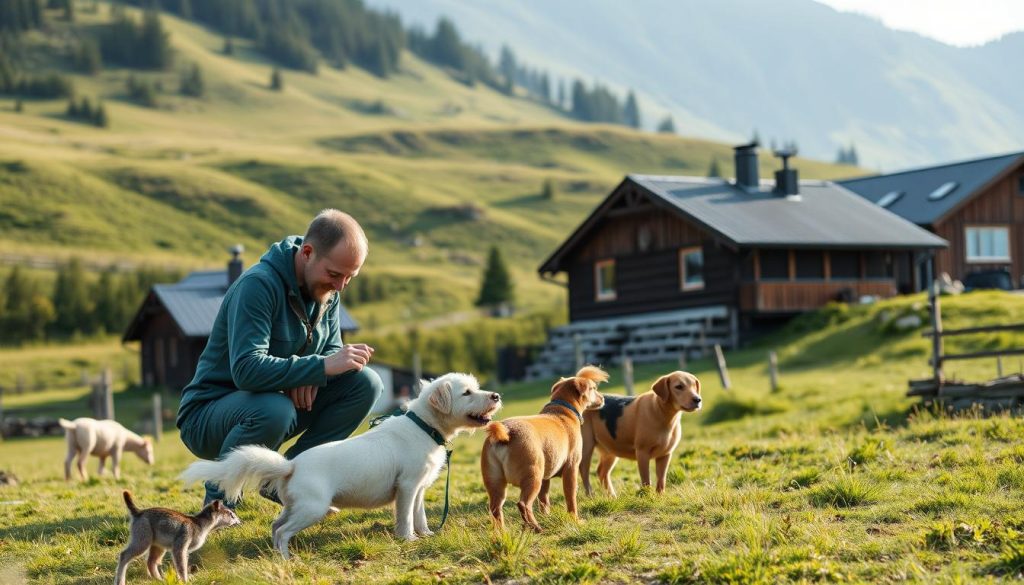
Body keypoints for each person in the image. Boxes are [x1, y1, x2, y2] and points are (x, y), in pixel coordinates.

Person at [176, 209, 383, 506]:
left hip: (277, 402)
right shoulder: (258, 286)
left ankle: (290, 483)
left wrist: (315, 371)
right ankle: (218, 507)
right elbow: (247, 370)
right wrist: (318, 367)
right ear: (307, 253)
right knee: (276, 409)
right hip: (209, 415)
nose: (340, 287)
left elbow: (332, 352)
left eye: (350, 277)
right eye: (335, 275)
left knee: (365, 383)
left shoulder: (328, 290)